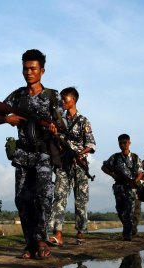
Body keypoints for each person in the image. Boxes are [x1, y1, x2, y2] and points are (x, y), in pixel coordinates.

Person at [0, 49, 62, 259]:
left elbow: (60, 122)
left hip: (43, 155)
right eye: (25, 68)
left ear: (42, 70)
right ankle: (30, 244)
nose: (28, 72)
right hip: (22, 154)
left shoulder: (52, 96)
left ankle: (40, 240)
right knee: (22, 200)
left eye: (33, 68)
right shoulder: (18, 95)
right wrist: (7, 119)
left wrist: (54, 128)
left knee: (43, 197)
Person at [47, 87, 96, 246]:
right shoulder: (59, 120)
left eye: (65, 99)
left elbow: (91, 144)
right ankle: (57, 233)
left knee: (80, 200)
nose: (62, 102)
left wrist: (79, 155)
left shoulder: (83, 121)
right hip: (63, 164)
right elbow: (54, 140)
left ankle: (81, 231)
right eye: (62, 99)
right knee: (59, 196)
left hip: (80, 165)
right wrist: (54, 134)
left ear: (73, 100)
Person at [101, 134, 143, 241]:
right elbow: (104, 167)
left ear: (129, 142)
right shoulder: (115, 157)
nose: (123, 145)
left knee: (130, 210)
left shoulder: (135, 157)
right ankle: (128, 229)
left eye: (125, 142)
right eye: (120, 143)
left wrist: (135, 181)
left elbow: (141, 172)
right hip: (119, 187)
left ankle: (127, 233)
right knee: (120, 210)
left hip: (131, 187)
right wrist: (112, 175)